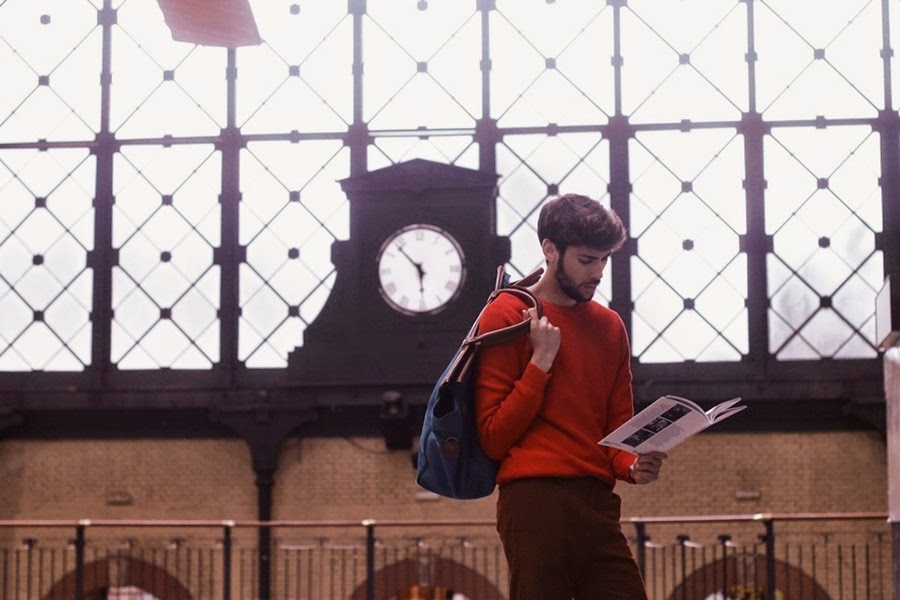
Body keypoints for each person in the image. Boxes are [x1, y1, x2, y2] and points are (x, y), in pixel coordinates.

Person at [474, 193, 667, 600]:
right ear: (550, 249)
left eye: (605, 259)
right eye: (586, 260)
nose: (598, 272)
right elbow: (493, 437)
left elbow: (616, 426)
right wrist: (540, 363)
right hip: (534, 501)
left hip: (598, 503)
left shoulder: (609, 326)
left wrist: (633, 466)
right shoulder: (506, 315)